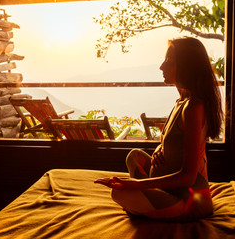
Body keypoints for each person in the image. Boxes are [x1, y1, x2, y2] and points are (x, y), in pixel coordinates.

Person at [95, 37, 223, 222]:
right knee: (134, 156)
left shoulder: (194, 107)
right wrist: (159, 149)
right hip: (169, 188)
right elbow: (175, 143)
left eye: (169, 61)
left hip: (189, 200)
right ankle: (150, 203)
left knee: (119, 193)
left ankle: (152, 207)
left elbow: (188, 176)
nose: (162, 67)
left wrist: (137, 184)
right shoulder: (181, 101)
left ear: (187, 66)